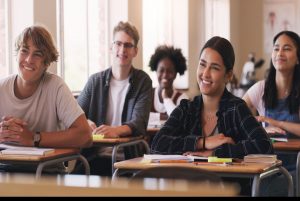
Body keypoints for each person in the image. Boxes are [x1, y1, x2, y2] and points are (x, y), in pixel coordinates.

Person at [150, 36, 273, 195]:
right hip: (187, 191)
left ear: (228, 75)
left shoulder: (236, 108)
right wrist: (203, 142)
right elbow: (157, 144)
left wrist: (216, 154)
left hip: (228, 191)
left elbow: (265, 146)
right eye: (202, 65)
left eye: (214, 68)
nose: (205, 74)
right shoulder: (187, 108)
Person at [0, 25, 92, 172]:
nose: (29, 59)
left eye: (37, 54)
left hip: (45, 172)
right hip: (4, 169)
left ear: (47, 62)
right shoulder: (2, 87)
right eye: (24, 51)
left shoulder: (56, 87)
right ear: (17, 54)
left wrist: (33, 138)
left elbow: (85, 135)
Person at [77, 21, 152, 176]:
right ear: (111, 48)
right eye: (118, 44)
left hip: (127, 159)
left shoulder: (143, 81)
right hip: (93, 156)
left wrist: (115, 131)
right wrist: (85, 122)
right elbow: (75, 113)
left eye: (128, 45)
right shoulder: (95, 81)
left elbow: (139, 122)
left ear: (135, 51)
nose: (122, 50)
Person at [243, 31, 300, 196]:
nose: (280, 53)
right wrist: (259, 128)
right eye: (276, 48)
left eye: (287, 48)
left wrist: (276, 123)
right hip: (266, 166)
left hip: (296, 167)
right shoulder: (261, 88)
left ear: (298, 57)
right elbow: (235, 117)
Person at [148, 45, 189, 119]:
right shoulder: (147, 95)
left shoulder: (182, 98)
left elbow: (180, 120)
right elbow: (141, 118)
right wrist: (165, 117)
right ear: (156, 71)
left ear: (175, 74)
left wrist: (166, 99)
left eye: (170, 71)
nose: (165, 75)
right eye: (161, 70)